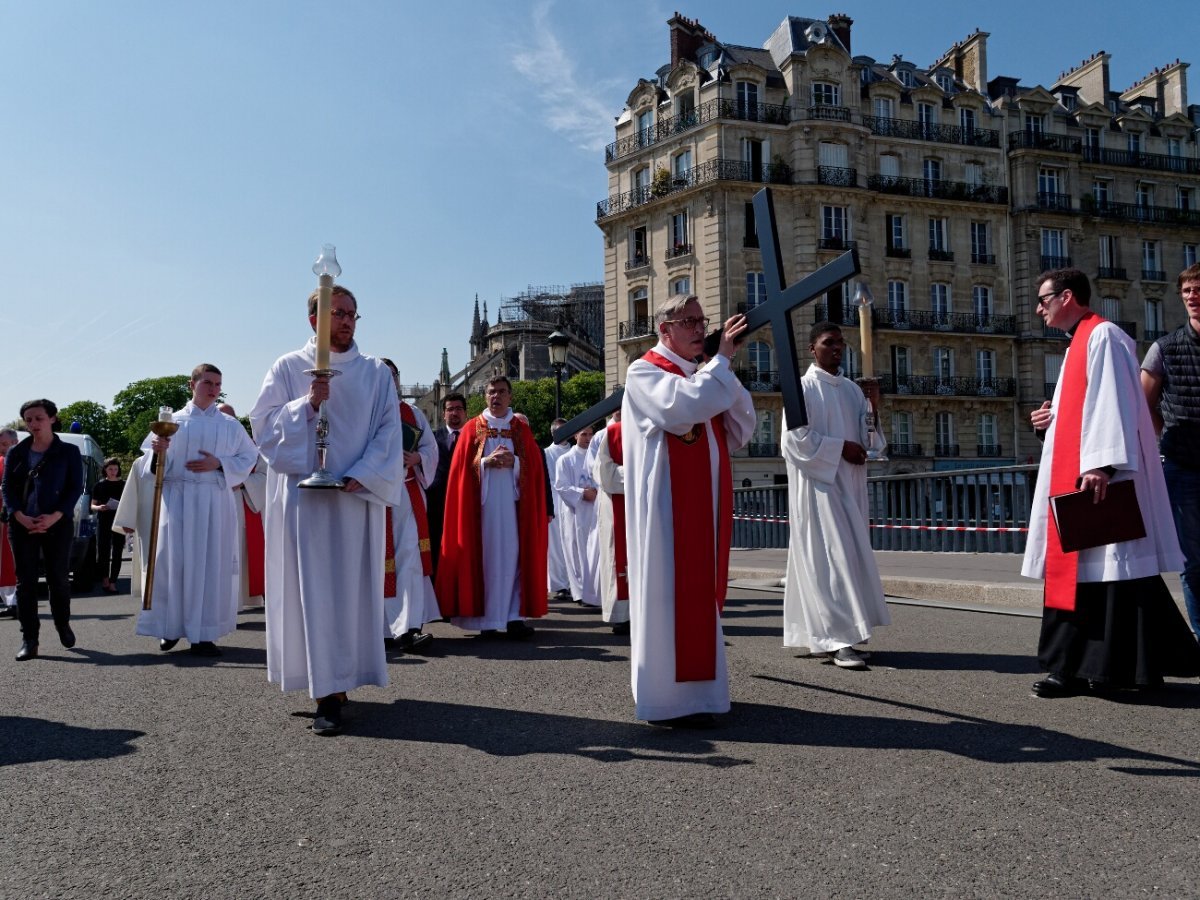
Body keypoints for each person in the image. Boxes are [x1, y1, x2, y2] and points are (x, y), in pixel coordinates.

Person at [1022, 268, 1200, 697]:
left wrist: (1103, 464)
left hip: (1099, 481)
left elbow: (1116, 405)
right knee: (1099, 578)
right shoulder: (1079, 343)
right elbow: (1086, 412)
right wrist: (1049, 423)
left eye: (1043, 299)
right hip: (1084, 474)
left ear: (1067, 297)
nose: (1038, 308)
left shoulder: (1103, 337)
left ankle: (1088, 670)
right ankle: (1089, 668)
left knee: (1109, 576)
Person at [250, 285, 403, 735]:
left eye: (353, 314)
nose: (347, 321)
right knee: (312, 591)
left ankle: (340, 680)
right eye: (337, 313)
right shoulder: (287, 367)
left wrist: (365, 473)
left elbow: (389, 430)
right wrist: (307, 403)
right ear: (313, 320)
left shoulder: (374, 373)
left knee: (347, 592)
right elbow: (263, 431)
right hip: (304, 503)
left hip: (353, 499)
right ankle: (324, 692)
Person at [621, 295, 755, 726]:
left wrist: (719, 369)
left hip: (702, 505)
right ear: (665, 329)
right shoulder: (643, 371)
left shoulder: (699, 374)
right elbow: (682, 411)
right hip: (666, 512)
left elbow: (741, 426)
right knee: (666, 595)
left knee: (696, 595)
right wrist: (721, 363)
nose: (700, 328)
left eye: (702, 320)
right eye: (690, 321)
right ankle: (665, 700)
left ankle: (701, 697)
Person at [780, 323, 890, 669]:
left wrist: (874, 406)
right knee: (830, 558)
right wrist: (839, 448)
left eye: (841, 343)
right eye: (829, 343)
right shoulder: (801, 388)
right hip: (819, 487)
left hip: (850, 486)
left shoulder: (852, 390)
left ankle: (830, 635)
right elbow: (794, 441)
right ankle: (838, 639)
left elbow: (870, 440)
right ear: (812, 349)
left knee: (847, 557)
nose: (837, 348)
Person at [133, 365, 259, 656]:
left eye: (218, 384)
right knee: (173, 563)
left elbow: (250, 456)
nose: (214, 389)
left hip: (214, 499)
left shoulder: (229, 425)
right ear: (192, 384)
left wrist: (220, 464)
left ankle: (204, 634)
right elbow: (150, 468)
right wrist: (157, 450)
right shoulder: (173, 421)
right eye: (208, 383)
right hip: (178, 499)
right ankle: (169, 627)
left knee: (210, 565)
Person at [435, 375, 548, 638]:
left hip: (513, 509)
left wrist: (515, 464)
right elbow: (460, 471)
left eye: (501, 392)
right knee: (483, 559)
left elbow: (536, 469)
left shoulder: (521, 429)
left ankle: (513, 618)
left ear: (510, 396)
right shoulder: (473, 427)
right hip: (482, 512)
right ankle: (485, 620)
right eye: (491, 392)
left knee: (514, 557)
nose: (495, 396)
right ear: (484, 397)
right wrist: (485, 463)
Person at [1141, 262, 1200, 638]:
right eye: (1188, 291)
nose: (1193, 297)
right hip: (1183, 467)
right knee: (1194, 564)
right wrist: (1167, 440)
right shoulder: (1164, 348)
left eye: (1199, 290)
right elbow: (1143, 405)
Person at [0, 400, 83, 661]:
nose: (33, 424)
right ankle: (30, 639)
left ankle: (62, 623)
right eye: (28, 420)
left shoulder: (68, 451)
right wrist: (18, 515)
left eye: (38, 418)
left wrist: (56, 516)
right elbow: (7, 488)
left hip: (57, 524)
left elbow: (75, 488)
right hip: (22, 524)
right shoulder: (17, 452)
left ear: (52, 419)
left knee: (58, 579)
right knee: (25, 583)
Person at [380, 358, 439, 653]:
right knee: (373, 563)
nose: (388, 380)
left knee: (409, 561)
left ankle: (408, 627)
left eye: (392, 375)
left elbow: (430, 448)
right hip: (372, 496)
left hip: (405, 494)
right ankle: (376, 628)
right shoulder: (361, 409)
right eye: (382, 375)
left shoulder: (412, 412)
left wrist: (418, 459)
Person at [217, 403, 267, 611]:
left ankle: (234, 603)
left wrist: (244, 482)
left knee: (237, 554)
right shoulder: (207, 446)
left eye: (230, 418)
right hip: (212, 508)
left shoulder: (253, 448)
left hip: (241, 506)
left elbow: (265, 476)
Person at [554, 424, 601, 608]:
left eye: (591, 434)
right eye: (584, 434)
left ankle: (596, 590)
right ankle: (581, 592)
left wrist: (597, 491)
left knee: (594, 550)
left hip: (595, 510)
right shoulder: (565, 460)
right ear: (575, 435)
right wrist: (581, 493)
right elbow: (561, 486)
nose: (588, 438)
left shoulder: (597, 457)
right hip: (575, 511)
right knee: (576, 550)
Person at [591, 412, 630, 634]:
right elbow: (603, 473)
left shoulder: (656, 429)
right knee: (618, 557)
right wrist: (637, 474)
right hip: (618, 504)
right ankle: (621, 615)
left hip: (648, 508)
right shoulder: (613, 433)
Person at [427, 392, 467, 581]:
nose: (454, 413)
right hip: (437, 507)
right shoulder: (431, 439)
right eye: (450, 409)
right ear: (443, 414)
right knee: (437, 552)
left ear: (465, 413)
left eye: (458, 409)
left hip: (466, 506)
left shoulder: (474, 438)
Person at [544, 418, 573, 601]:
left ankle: (574, 583)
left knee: (571, 544)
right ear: (553, 432)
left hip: (572, 503)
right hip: (555, 501)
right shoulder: (546, 453)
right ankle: (559, 584)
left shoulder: (575, 451)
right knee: (555, 547)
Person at [89, 457, 125, 595]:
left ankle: (113, 582)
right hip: (104, 520)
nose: (113, 472)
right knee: (103, 552)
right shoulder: (99, 485)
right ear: (105, 470)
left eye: (115, 469)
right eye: (110, 469)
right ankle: (105, 579)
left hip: (119, 520)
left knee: (117, 553)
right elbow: (92, 505)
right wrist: (99, 507)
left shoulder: (124, 485)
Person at [0, 428, 18, 617]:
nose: (3, 449)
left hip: (16, 519)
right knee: (4, 563)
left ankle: (16, 602)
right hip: (2, 519)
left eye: (6, 444)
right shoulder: (0, 462)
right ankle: (10, 602)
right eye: (1, 445)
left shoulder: (23, 460)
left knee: (13, 562)